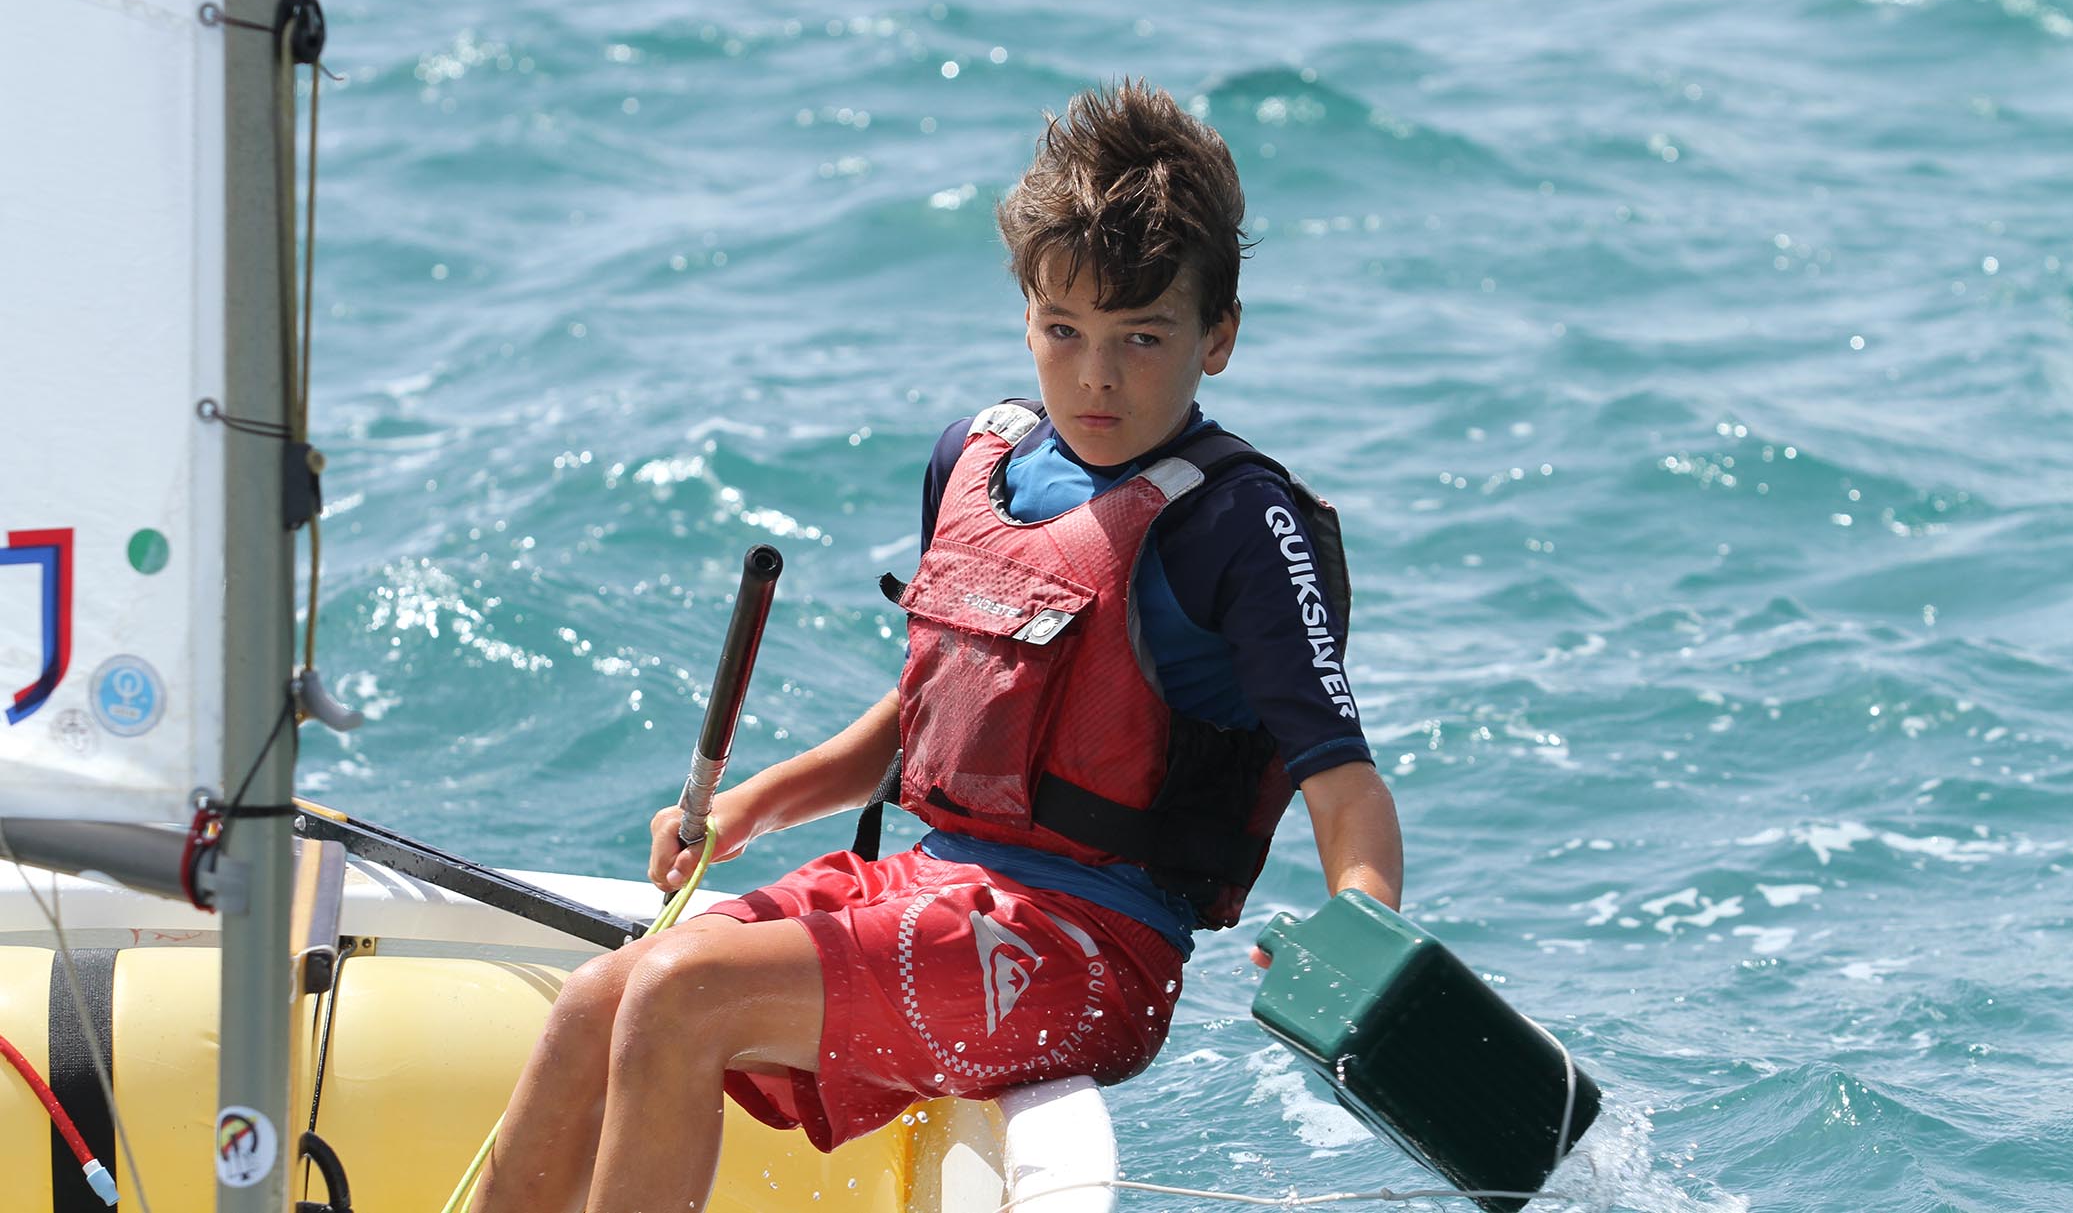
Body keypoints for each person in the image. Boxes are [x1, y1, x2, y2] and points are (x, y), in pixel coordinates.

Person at [467, 81, 1404, 1212]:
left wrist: (1357, 940)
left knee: (681, 989)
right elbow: (924, 715)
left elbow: (1344, 786)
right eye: (1063, 330)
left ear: (1219, 336)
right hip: (933, 885)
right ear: (1026, 317)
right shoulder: (976, 457)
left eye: (1142, 338)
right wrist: (746, 809)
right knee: (595, 1001)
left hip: (1089, 950)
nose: (1095, 375)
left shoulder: (1239, 525)